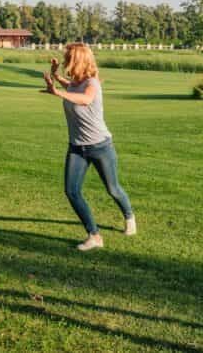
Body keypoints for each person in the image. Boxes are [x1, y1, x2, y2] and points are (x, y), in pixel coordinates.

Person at [40, 42, 136, 251]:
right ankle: (94, 235)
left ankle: (129, 216)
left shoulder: (92, 83)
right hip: (76, 148)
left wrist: (57, 93)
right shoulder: (75, 82)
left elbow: (85, 99)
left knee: (113, 189)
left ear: (78, 60)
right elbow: (71, 88)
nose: (65, 61)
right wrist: (56, 77)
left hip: (100, 146)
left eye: (68, 59)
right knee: (71, 191)